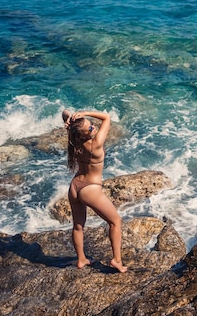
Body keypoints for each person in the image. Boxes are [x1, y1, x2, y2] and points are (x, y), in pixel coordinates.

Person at [62, 109, 127, 273]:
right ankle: (117, 260)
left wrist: (74, 118)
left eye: (92, 124)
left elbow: (65, 113)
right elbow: (107, 117)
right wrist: (86, 113)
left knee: (78, 226)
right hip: (90, 189)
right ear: (84, 135)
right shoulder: (96, 143)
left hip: (75, 186)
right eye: (90, 128)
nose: (94, 127)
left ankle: (81, 259)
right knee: (115, 222)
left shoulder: (76, 140)